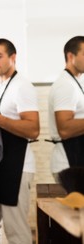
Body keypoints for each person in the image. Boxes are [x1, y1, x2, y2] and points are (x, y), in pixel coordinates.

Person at [0, 38, 39, 244]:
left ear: (13, 57)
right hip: (2, 166)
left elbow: (33, 128)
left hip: (18, 167)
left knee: (17, 233)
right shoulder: (1, 87)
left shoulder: (22, 87)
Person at [48, 36, 84, 181]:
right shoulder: (65, 85)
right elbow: (65, 129)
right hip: (68, 165)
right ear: (71, 56)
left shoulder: (74, 83)